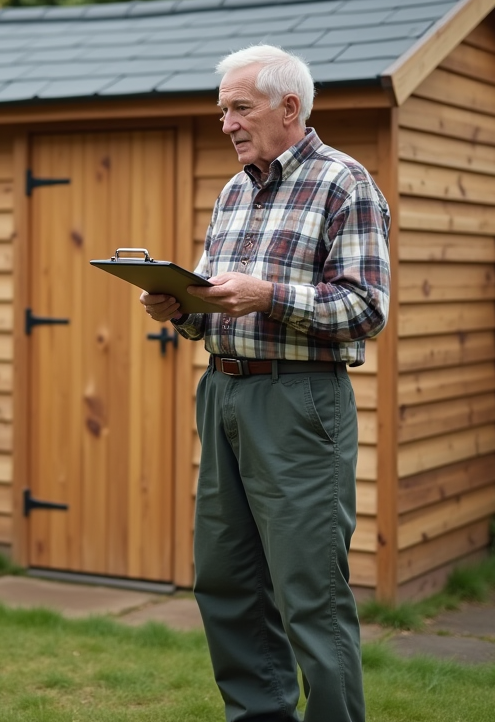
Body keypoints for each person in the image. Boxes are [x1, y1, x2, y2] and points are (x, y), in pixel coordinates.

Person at [139, 44, 390, 722]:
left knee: (312, 592)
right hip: (222, 394)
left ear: (289, 108)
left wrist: (269, 295)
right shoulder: (233, 189)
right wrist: (179, 306)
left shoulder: (345, 183)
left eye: (239, 108)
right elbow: (218, 303)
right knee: (228, 583)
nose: (226, 123)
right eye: (222, 110)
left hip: (300, 401)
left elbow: (367, 308)